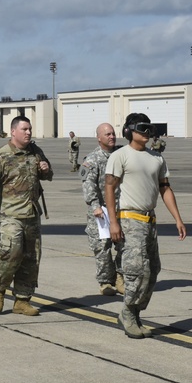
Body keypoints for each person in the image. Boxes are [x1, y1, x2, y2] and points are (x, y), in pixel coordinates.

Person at [105, 113, 186, 339]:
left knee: (153, 270)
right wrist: (113, 222)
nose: (147, 133)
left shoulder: (156, 158)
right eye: (142, 128)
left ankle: (135, 312)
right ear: (129, 130)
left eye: (149, 128)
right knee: (137, 271)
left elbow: (165, 188)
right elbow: (109, 188)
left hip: (150, 221)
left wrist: (178, 218)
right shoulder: (120, 156)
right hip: (130, 220)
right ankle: (128, 313)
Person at [0, 115, 53, 316]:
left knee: (31, 258)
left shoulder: (36, 152)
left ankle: (22, 300)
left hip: (32, 214)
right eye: (24, 129)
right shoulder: (0, 156)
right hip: (10, 215)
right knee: (11, 252)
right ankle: (0, 288)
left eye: (30, 129)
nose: (28, 132)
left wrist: (45, 169)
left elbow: (48, 176)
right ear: (13, 132)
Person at [80, 122, 122, 296]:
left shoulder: (121, 154)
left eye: (113, 133)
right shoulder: (93, 159)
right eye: (107, 134)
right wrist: (95, 205)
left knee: (123, 245)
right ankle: (105, 281)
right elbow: (88, 184)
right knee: (102, 247)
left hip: (122, 208)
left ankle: (121, 277)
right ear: (99, 138)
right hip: (102, 210)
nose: (111, 137)